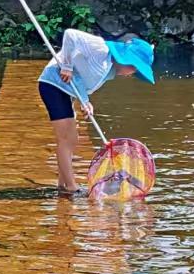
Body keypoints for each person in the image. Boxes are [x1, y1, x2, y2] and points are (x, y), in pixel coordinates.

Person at [38, 28, 155, 194]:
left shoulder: (110, 70)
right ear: (127, 60)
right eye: (135, 68)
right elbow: (71, 35)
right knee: (66, 138)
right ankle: (71, 188)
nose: (133, 73)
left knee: (72, 138)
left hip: (65, 90)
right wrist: (66, 65)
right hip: (53, 85)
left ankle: (63, 184)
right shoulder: (100, 48)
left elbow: (80, 78)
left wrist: (86, 101)